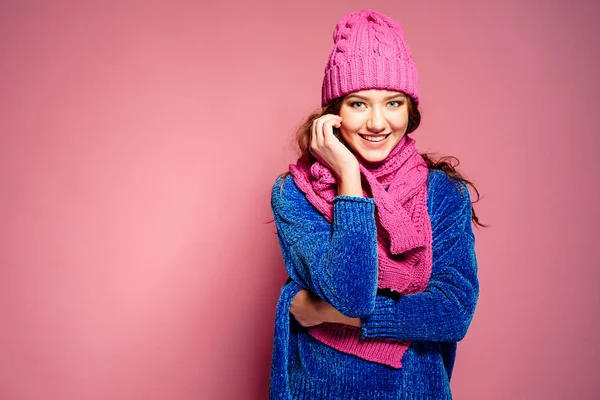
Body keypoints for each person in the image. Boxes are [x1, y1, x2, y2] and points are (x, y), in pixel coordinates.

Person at [269, 9, 483, 399]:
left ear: (410, 109)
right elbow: (351, 291)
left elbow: (453, 312)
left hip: (414, 389)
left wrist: (332, 315)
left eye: (393, 103)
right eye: (358, 104)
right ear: (333, 113)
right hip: (319, 388)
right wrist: (349, 179)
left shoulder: (442, 192)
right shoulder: (295, 192)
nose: (378, 123)